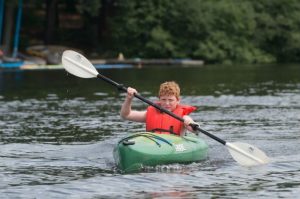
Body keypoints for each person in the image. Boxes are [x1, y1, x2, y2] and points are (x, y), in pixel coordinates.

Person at [120, 81, 199, 136]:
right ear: (159, 100)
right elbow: (126, 115)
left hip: (173, 147)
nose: (167, 103)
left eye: (171, 100)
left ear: (178, 101)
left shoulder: (183, 117)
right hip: (153, 146)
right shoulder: (150, 113)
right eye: (163, 100)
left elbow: (195, 130)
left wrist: (190, 123)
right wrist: (129, 99)